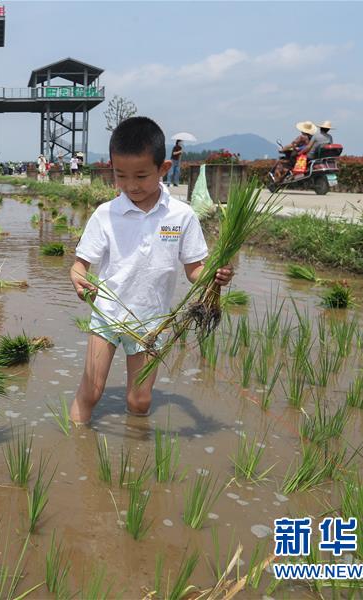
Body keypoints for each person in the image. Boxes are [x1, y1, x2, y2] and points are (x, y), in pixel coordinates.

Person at [68, 117, 234, 424]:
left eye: (141, 176)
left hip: (152, 323)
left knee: (140, 400)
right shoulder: (106, 214)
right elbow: (80, 265)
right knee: (91, 392)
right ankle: (75, 442)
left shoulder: (181, 216)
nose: (131, 185)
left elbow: (194, 270)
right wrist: (80, 282)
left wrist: (214, 276)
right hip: (107, 316)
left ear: (163, 168)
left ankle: (136, 448)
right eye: (121, 175)